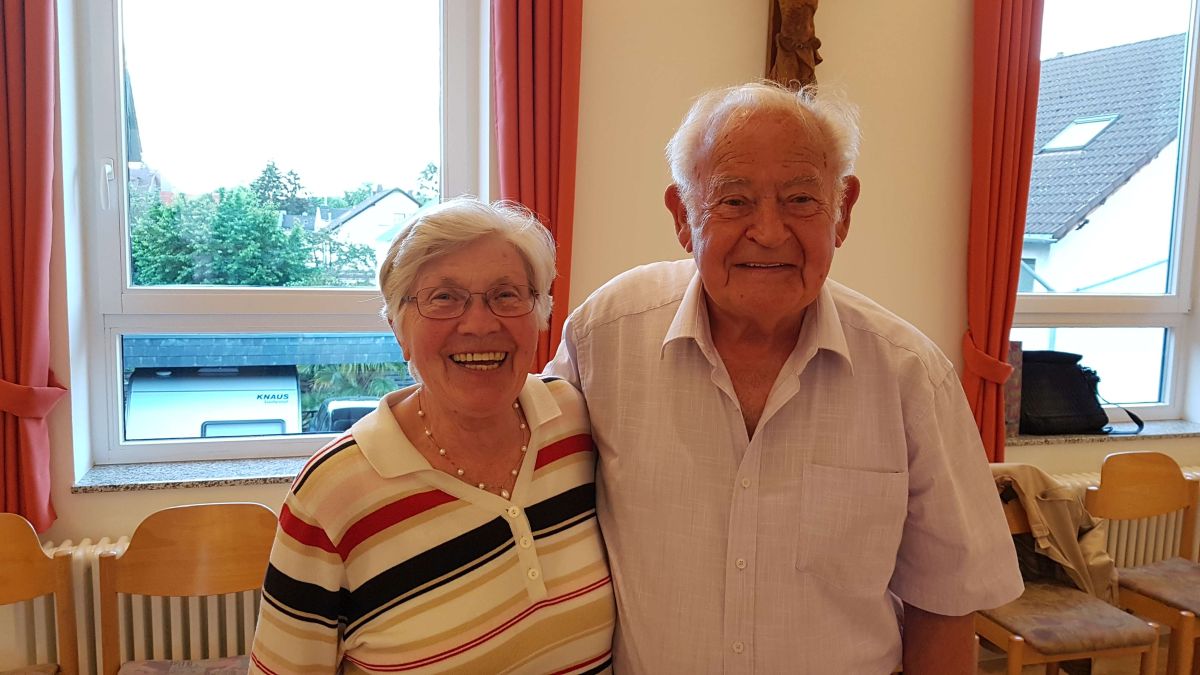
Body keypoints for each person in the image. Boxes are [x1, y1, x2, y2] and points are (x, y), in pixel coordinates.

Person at [545, 82, 1023, 673]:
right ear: (683, 215)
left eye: (800, 199)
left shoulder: (910, 375)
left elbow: (946, 604)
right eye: (733, 200)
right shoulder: (605, 337)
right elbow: (527, 476)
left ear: (842, 210)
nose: (769, 232)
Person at [250, 199, 615, 674]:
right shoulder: (331, 494)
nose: (480, 324)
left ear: (540, 313)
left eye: (506, 295)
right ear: (398, 328)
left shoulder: (574, 421)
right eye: (443, 297)